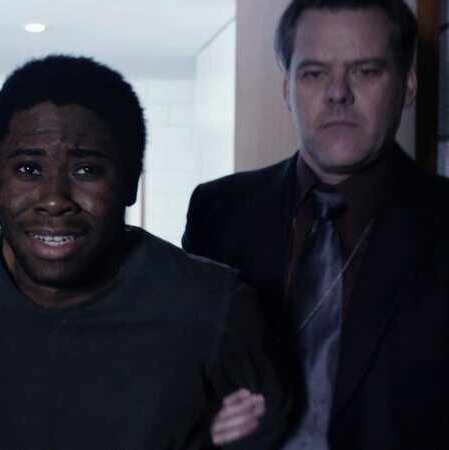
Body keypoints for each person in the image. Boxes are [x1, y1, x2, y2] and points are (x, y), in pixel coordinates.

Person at [0, 54, 293, 449]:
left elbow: (269, 430)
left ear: (130, 183)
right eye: (28, 169)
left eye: (87, 170)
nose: (54, 200)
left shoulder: (212, 305)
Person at [183, 0, 449, 448]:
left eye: (365, 71)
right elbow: (182, 376)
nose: (337, 93)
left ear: (407, 86)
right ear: (287, 89)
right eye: (313, 73)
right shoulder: (217, 211)